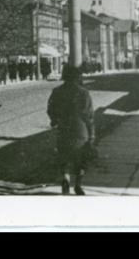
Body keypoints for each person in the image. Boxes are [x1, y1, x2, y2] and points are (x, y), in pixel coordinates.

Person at [47, 65, 95, 196]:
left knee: (64, 156)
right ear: (77, 76)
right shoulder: (84, 92)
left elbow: (51, 110)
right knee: (81, 158)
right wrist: (92, 134)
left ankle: (66, 177)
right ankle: (78, 185)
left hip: (64, 129)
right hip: (81, 130)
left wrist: (55, 120)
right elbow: (89, 115)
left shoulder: (56, 91)